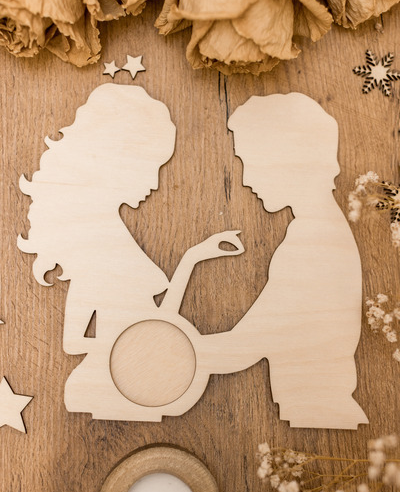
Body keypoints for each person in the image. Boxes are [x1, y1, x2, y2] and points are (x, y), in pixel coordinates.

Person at [18, 83, 243, 420]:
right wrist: (128, 346)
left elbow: (158, 323)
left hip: (139, 383)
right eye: (150, 167)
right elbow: (73, 342)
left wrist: (192, 259)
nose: (155, 183)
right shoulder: (94, 245)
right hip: (104, 386)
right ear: (113, 164)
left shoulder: (116, 237)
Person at [201, 93, 368, 429]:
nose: (246, 179)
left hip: (319, 415)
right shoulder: (318, 228)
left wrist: (173, 351)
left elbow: (246, 345)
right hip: (313, 411)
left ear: (293, 160)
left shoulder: (313, 240)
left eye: (252, 162)